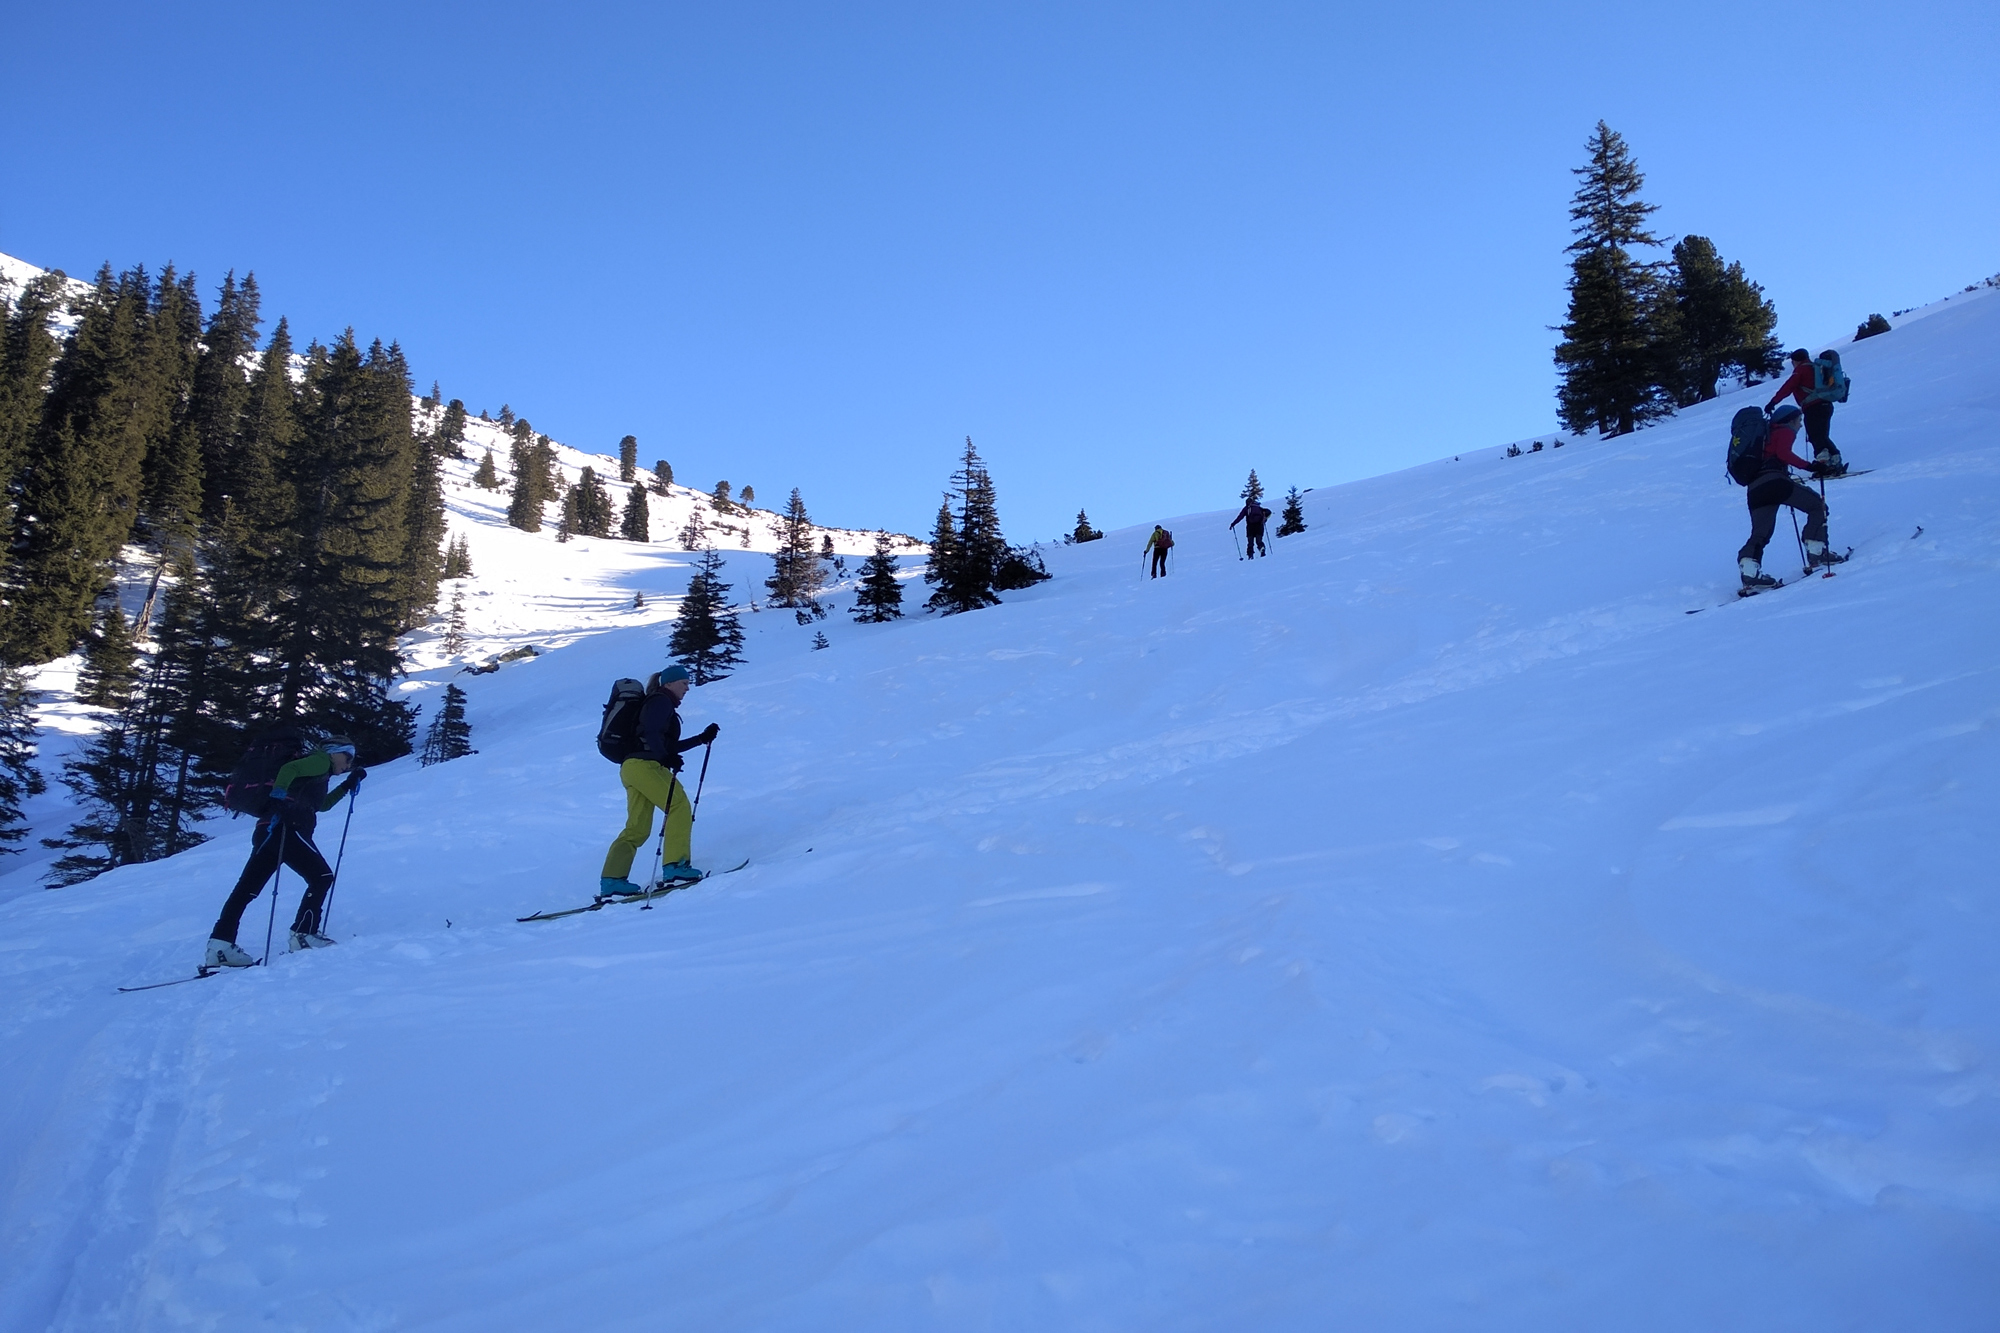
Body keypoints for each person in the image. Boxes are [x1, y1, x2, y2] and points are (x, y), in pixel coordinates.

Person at [204, 736, 366, 969]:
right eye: (347, 757)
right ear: (334, 752)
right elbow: (289, 768)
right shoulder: (320, 761)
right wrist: (279, 796)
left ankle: (220, 946)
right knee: (321, 877)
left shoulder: (319, 770)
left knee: (246, 889)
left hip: (268, 830)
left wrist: (347, 785)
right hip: (289, 827)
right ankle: (304, 934)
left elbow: (322, 805)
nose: (348, 763)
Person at [599, 664, 719, 896]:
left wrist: (700, 739)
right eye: (684, 683)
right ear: (669, 683)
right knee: (679, 806)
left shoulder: (657, 703)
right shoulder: (660, 701)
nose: (687, 688)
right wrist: (666, 757)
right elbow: (651, 734)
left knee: (637, 828)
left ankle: (612, 881)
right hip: (646, 766)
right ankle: (675, 868)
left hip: (632, 767)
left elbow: (663, 743)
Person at [1738, 404, 1845, 589]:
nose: (1801, 425)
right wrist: (1811, 466)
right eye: (1799, 420)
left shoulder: (1763, 437)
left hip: (1755, 489)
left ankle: (1750, 572)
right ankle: (1817, 550)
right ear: (1790, 420)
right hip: (1775, 482)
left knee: (1760, 533)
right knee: (1816, 506)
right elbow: (1783, 453)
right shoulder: (1783, 430)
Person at [1766, 347, 1848, 477]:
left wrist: (1773, 402)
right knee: (1822, 435)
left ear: (1796, 361)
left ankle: (1824, 464)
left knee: (1815, 436)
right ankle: (1835, 461)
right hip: (1826, 405)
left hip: (1813, 407)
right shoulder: (1818, 367)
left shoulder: (1801, 369)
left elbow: (1788, 387)